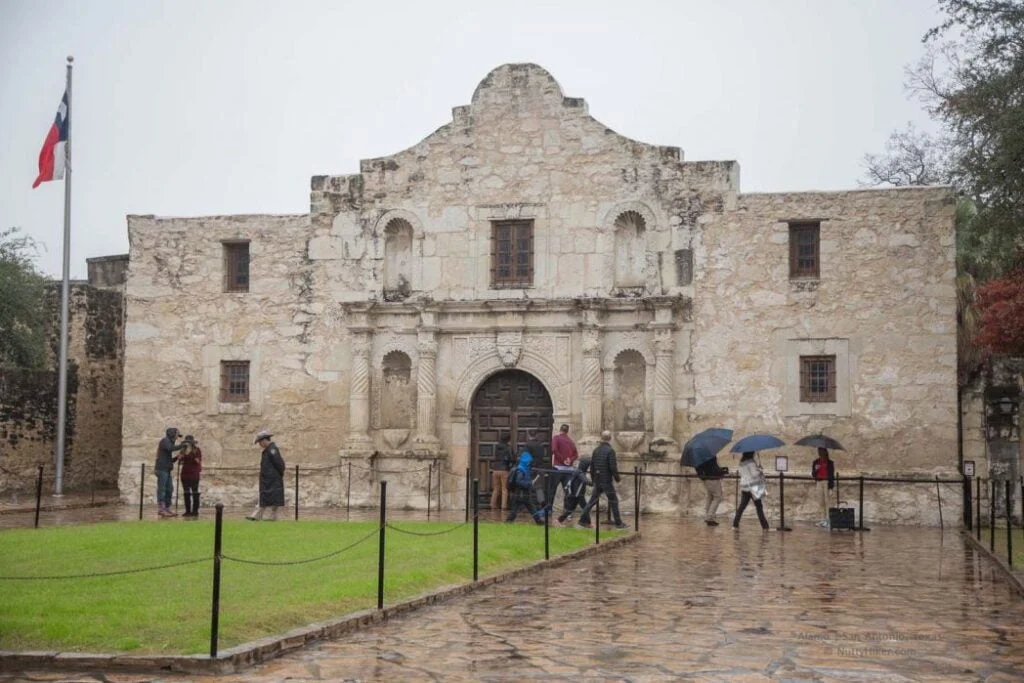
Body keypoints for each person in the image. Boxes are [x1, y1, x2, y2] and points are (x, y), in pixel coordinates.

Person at [577, 431, 628, 530]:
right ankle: (619, 523)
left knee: (592, 501)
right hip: (606, 481)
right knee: (614, 501)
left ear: (601, 438)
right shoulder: (610, 451)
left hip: (598, 479)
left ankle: (582, 520)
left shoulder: (596, 450)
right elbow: (613, 467)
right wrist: (618, 479)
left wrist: (594, 479)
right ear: (610, 438)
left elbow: (592, 467)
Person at [246, 430, 285, 521]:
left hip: (272, 479)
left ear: (264, 440)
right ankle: (257, 516)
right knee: (264, 497)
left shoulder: (272, 450)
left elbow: (279, 464)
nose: (260, 444)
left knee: (272, 499)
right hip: (268, 479)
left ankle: (269, 516)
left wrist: (277, 475)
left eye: (260, 442)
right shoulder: (268, 450)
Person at [505, 446, 544, 524]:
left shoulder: (524, 468)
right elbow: (518, 481)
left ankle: (538, 521)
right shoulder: (521, 469)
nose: (530, 463)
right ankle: (508, 521)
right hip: (520, 493)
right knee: (517, 509)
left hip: (523, 493)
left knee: (530, 507)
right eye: (529, 462)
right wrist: (529, 483)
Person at [547, 424, 579, 516]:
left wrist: (563, 460)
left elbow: (554, 450)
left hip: (558, 468)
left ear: (560, 429)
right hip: (569, 470)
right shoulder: (571, 441)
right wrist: (570, 460)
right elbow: (576, 454)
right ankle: (568, 511)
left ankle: (549, 509)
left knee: (552, 489)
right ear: (567, 431)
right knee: (568, 490)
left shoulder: (556, 438)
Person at [733, 451, 769, 530]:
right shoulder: (751, 462)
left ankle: (735, 524)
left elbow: (742, 474)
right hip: (753, 486)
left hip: (745, 486)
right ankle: (765, 526)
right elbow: (754, 474)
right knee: (759, 506)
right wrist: (759, 469)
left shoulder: (741, 462)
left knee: (742, 506)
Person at [155, 427, 185, 518]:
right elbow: (170, 448)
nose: (177, 438)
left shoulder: (169, 443)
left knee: (169, 489)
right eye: (176, 436)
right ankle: (161, 509)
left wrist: (177, 457)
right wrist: (182, 446)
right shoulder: (165, 441)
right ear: (172, 434)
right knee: (162, 489)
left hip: (166, 469)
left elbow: (168, 460)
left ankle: (167, 508)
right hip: (162, 469)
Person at [556, 457, 591, 525]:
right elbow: (585, 481)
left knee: (570, 509)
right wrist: (594, 484)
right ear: (585, 465)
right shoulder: (580, 473)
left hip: (575, 494)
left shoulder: (577, 471)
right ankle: (587, 523)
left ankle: (559, 520)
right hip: (578, 494)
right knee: (586, 508)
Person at [695, 454, 728, 526]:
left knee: (710, 497)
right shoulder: (709, 455)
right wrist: (722, 471)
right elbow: (713, 468)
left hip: (707, 479)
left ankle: (708, 516)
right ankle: (709, 518)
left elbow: (700, 468)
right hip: (713, 479)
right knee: (718, 497)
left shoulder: (700, 457)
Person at [811, 447, 835, 528]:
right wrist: (816, 470)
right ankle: (823, 519)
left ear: (825, 452)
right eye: (819, 451)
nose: (820, 453)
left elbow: (832, 475)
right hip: (819, 482)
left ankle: (829, 520)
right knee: (821, 501)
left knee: (827, 501)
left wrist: (831, 487)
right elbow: (813, 475)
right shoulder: (816, 462)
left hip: (827, 482)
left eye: (821, 451)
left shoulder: (830, 463)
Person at [179, 435, 202, 518]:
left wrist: (192, 454)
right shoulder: (183, 450)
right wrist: (181, 456)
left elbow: (198, 461)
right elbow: (180, 461)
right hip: (185, 474)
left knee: (195, 492)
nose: (187, 444)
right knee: (186, 492)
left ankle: (195, 511)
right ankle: (187, 510)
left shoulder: (197, 450)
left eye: (189, 442)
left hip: (194, 474)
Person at [490, 433, 513, 511]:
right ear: (508, 440)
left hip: (495, 469)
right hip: (504, 469)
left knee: (496, 488)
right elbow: (511, 458)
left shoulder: (497, 447)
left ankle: (493, 504)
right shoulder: (508, 448)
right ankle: (504, 506)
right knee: (504, 489)